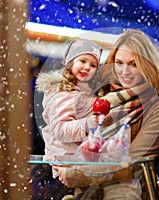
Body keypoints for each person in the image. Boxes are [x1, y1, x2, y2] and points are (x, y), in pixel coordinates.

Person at [53, 29, 159, 200]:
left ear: (146, 65)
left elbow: (131, 162)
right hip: (88, 192)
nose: (124, 71)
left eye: (133, 64)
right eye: (119, 62)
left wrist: (75, 174)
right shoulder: (99, 93)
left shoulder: (153, 104)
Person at [33, 39, 103, 199]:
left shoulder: (84, 91)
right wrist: (88, 123)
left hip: (79, 159)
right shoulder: (62, 92)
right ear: (69, 61)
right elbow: (60, 130)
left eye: (93, 65)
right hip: (66, 160)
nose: (87, 67)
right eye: (83, 61)